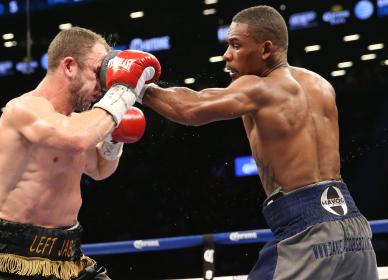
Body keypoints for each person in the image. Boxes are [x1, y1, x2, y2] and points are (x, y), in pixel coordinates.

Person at [138, 5, 379, 280]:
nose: (226, 55)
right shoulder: (321, 85)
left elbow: (192, 108)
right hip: (354, 226)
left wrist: (138, 88)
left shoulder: (258, 87)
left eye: (235, 45)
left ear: (266, 50)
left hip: (306, 232)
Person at [0, 27, 160, 280]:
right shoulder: (24, 108)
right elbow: (77, 139)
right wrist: (123, 91)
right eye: (98, 73)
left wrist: (115, 139)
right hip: (19, 259)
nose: (104, 85)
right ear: (69, 66)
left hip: (69, 253)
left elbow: (99, 169)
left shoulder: (75, 121)